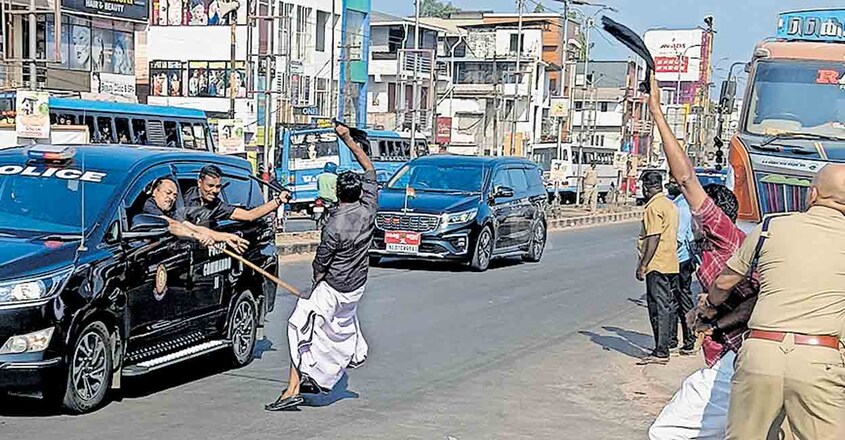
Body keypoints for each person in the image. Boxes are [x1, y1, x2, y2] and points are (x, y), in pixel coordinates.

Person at [645, 73, 786, 440]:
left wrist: (658, 113)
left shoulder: (724, 237)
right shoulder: (713, 248)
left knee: (668, 432)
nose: (689, 213)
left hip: (739, 358)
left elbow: (687, 177)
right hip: (737, 358)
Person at [707, 164, 845, 440]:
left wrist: (710, 305)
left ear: (813, 194)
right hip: (820, 359)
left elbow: (723, 283)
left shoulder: (771, 226)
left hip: (761, 353)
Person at [265, 122, 377, 412]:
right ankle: (314, 375)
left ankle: (292, 389)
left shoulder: (334, 224)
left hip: (335, 287)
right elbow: (369, 166)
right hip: (357, 286)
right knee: (331, 330)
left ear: (337, 194)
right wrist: (349, 140)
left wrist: (317, 283)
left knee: (299, 325)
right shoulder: (369, 208)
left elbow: (322, 262)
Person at [636, 170, 680, 365]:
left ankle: (661, 351)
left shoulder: (653, 208)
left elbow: (653, 237)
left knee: (658, 307)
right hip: (671, 260)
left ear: (646, 188)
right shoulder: (670, 205)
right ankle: (668, 342)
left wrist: (643, 264)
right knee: (668, 305)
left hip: (657, 263)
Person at [136, 177, 249, 253]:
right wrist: (198, 237)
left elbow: (194, 228)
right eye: (168, 193)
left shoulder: (172, 211)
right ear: (155, 191)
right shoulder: (148, 206)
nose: (171, 198)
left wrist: (228, 237)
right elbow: (172, 225)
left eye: (175, 196)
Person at [183, 165, 289, 228]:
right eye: (210, 186)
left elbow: (249, 215)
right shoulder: (183, 197)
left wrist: (278, 200)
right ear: (199, 183)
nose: (214, 191)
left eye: (218, 186)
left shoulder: (217, 205)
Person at [666, 178, 696, 356]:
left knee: (680, 299)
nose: (670, 184)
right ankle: (674, 339)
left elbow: (678, 238)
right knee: (676, 299)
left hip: (680, 259)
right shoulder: (681, 202)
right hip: (685, 257)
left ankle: (688, 339)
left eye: (673, 181)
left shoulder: (682, 207)